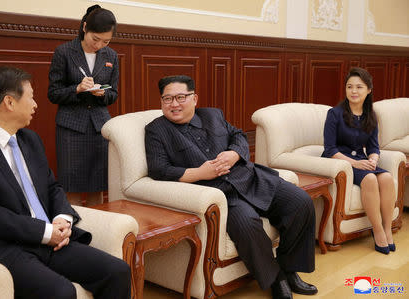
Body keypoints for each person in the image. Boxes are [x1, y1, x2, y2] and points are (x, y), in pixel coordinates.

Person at [0, 66, 130, 298]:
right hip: (3, 243)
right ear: (9, 102)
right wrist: (45, 231)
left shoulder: (30, 139)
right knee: (61, 292)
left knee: (117, 271)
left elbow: (52, 186)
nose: (35, 105)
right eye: (30, 97)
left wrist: (62, 217)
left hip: (49, 239)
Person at [145, 75, 318, 299]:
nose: (174, 104)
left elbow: (238, 135)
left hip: (251, 178)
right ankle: (276, 279)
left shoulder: (213, 115)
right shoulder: (156, 130)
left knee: (301, 202)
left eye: (180, 97)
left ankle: (289, 267)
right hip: (220, 194)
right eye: (167, 99)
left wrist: (234, 153)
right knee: (247, 225)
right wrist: (200, 173)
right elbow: (158, 170)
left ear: (194, 98)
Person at [48, 5, 119, 206]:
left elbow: (113, 94)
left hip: (100, 127)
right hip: (71, 127)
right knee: (72, 185)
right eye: (95, 39)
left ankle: (99, 232)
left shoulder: (111, 56)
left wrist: (103, 93)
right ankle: (75, 231)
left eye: (106, 41)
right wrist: (77, 89)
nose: (99, 45)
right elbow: (53, 93)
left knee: (99, 184)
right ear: (85, 27)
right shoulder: (64, 52)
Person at [322, 67, 396, 254]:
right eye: (349, 87)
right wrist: (355, 163)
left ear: (369, 90)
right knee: (370, 179)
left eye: (359, 87)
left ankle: (387, 229)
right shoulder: (334, 114)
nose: (353, 91)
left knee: (386, 178)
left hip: (362, 161)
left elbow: (373, 147)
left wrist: (373, 159)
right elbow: (330, 149)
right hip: (340, 162)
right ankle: (377, 231)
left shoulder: (371, 115)